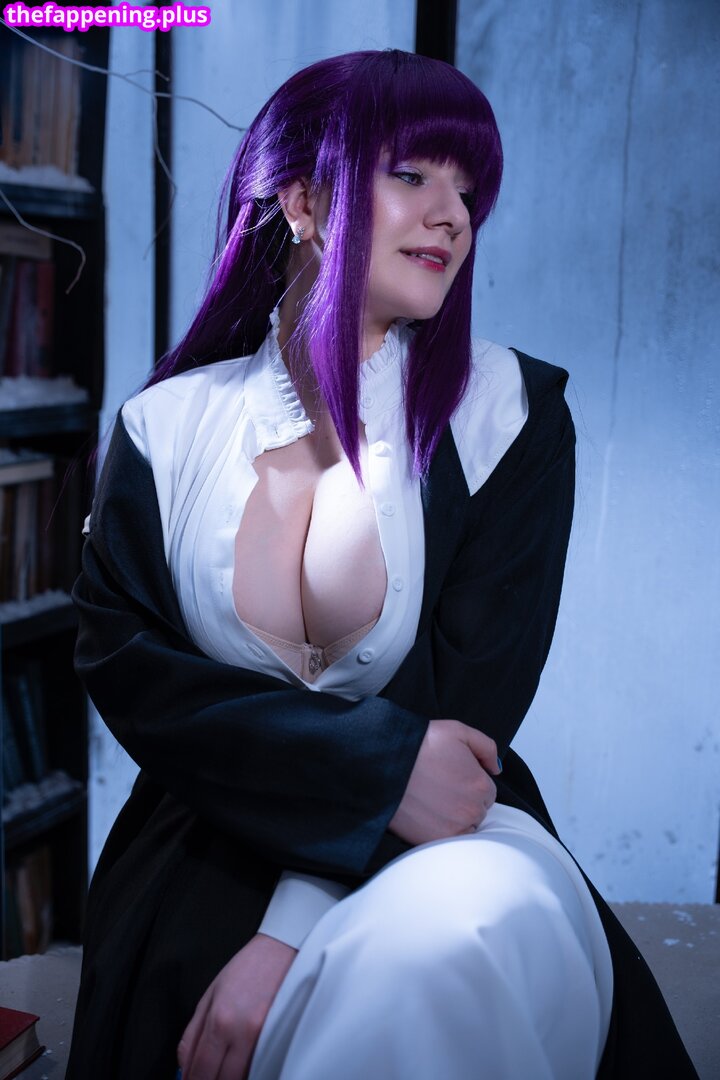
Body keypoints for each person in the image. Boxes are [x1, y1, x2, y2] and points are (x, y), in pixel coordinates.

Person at [66, 49, 697, 1080]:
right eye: (413, 174)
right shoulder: (164, 428)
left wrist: (290, 929)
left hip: (449, 832)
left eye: (469, 190)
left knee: (455, 935)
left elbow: (466, 713)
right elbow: (138, 679)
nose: (454, 216)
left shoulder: (510, 414)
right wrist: (378, 769)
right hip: (208, 832)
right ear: (306, 202)